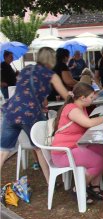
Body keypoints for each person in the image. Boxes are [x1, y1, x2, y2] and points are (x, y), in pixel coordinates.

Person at [0, 47, 68, 183]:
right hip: (29, 114)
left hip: (11, 112)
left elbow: (26, 90)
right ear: (52, 59)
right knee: (40, 147)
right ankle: (50, 181)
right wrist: (72, 96)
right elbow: (65, 95)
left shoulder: (26, 70)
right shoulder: (51, 75)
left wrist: (41, 102)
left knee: (4, 151)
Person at [51, 82, 103, 203]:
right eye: (91, 98)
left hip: (75, 146)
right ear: (82, 98)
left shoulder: (81, 108)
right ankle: (78, 188)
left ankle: (94, 186)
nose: (93, 100)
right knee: (98, 161)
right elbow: (88, 123)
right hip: (64, 152)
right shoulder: (72, 109)